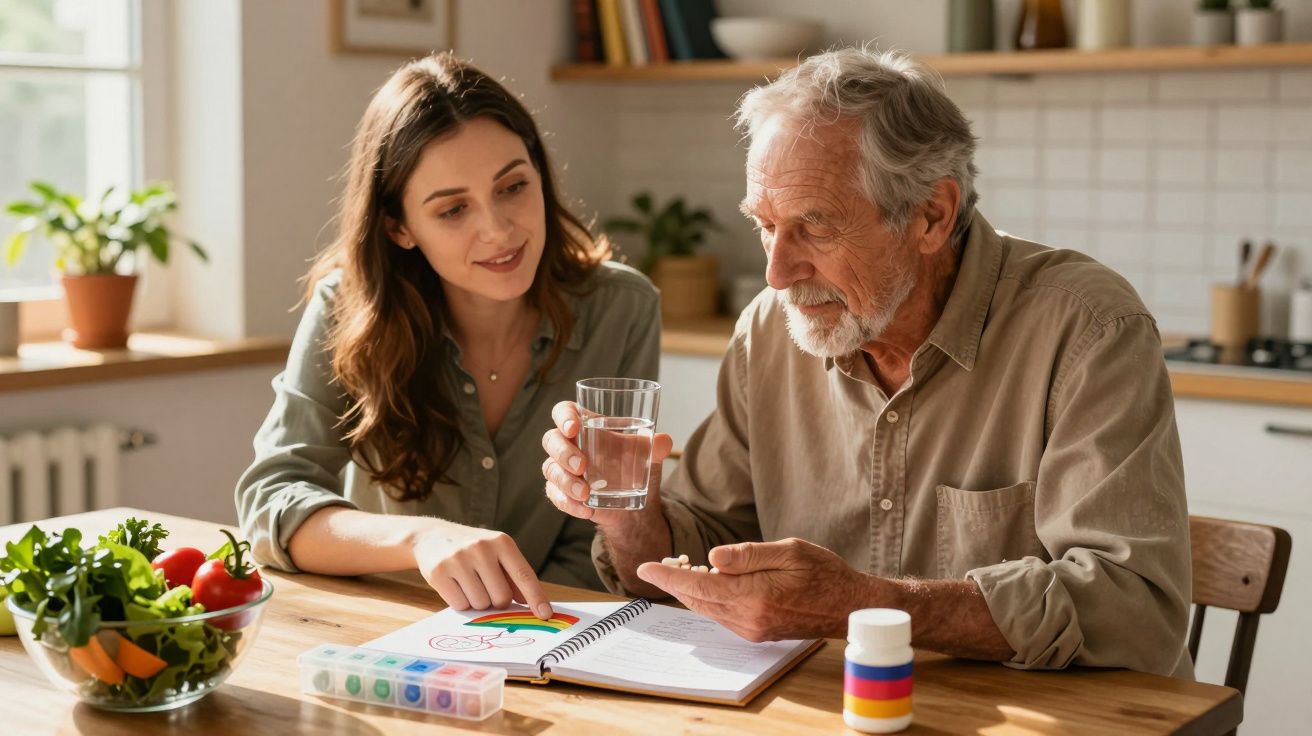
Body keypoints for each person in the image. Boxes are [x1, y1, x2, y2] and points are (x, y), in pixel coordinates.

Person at [541, 47, 1193, 678]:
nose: (777, 273)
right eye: (764, 225)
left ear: (932, 215)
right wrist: (628, 516)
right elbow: (701, 548)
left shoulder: (1087, 329)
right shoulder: (771, 330)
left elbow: (1133, 609)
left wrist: (868, 607)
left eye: (815, 228)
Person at [237, 53, 660, 621]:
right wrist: (422, 539)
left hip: (554, 634)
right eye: (453, 209)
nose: (498, 229)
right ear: (400, 227)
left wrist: (518, 624)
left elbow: (598, 536)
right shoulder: (346, 307)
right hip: (387, 632)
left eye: (512, 186)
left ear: (540, 174)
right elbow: (272, 500)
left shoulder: (623, 308)